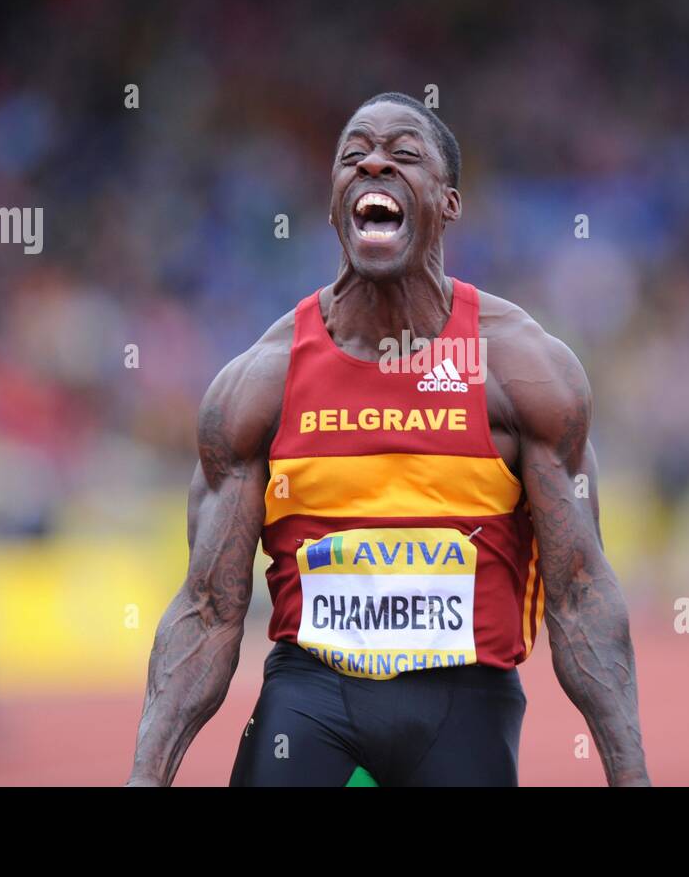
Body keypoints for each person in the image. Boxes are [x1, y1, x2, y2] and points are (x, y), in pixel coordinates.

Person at [127, 92, 649, 786]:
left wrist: (632, 777)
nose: (374, 162)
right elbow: (208, 609)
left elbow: (581, 594)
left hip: (465, 702)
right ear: (337, 202)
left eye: (404, 155)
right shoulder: (260, 383)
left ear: (449, 203)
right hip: (310, 698)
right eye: (354, 157)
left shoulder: (522, 369)